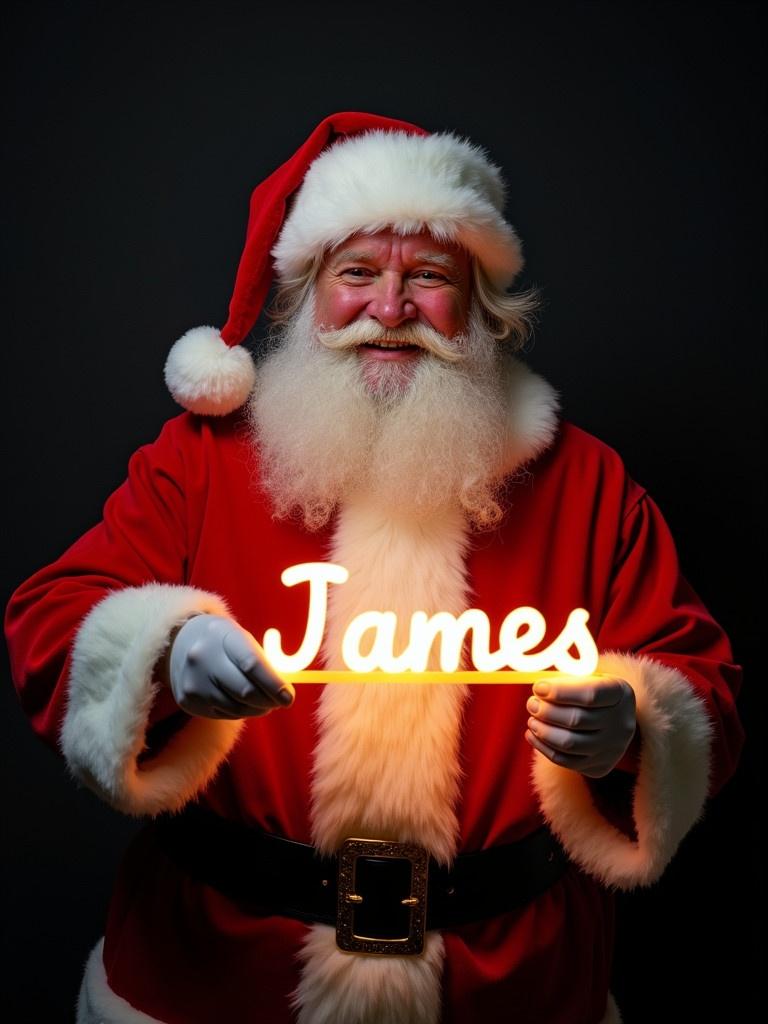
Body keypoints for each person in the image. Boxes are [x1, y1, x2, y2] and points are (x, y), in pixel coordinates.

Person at [5, 112, 744, 1024]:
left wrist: (637, 724)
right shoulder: (200, 461)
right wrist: (161, 652)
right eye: (357, 273)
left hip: (508, 983)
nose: (389, 309)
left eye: (428, 278)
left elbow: (704, 679)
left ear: (480, 306)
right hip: (222, 974)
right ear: (309, 295)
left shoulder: (587, 481)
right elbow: (51, 620)